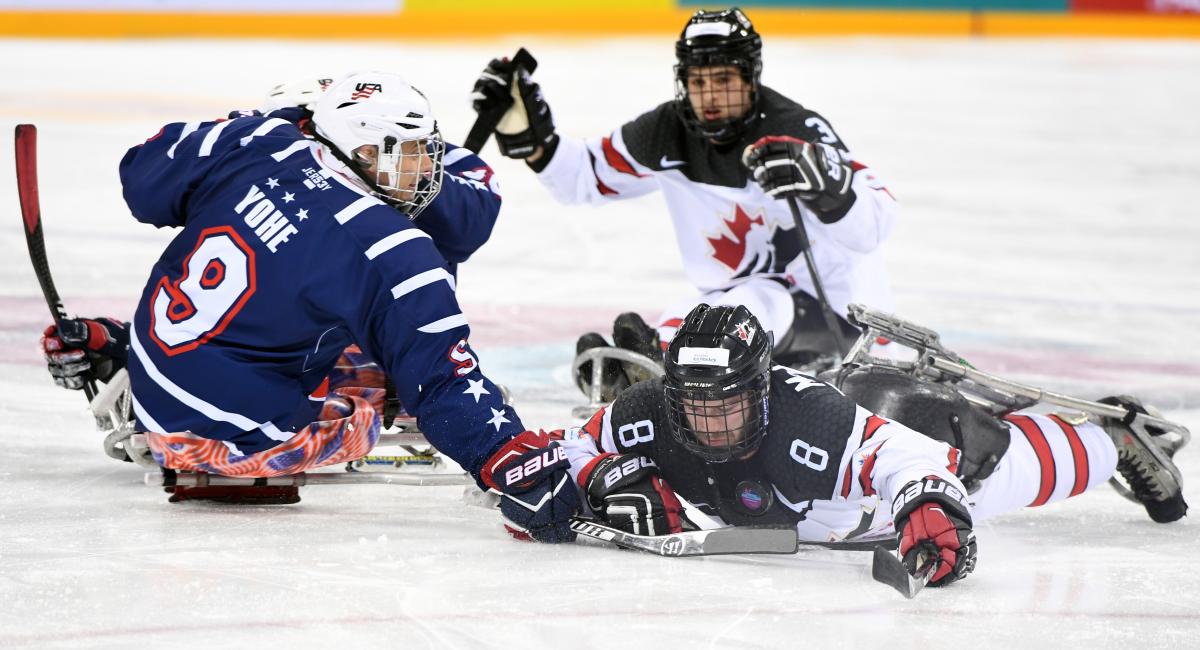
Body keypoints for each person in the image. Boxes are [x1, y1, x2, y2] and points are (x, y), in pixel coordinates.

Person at [39, 71, 580, 542]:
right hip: (222, 438)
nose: (422, 171)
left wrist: (252, 125)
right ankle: (358, 410)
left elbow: (143, 177)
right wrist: (508, 455)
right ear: (352, 146)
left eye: (424, 151)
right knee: (382, 373)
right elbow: (444, 376)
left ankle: (133, 360)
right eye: (404, 153)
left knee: (284, 290)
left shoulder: (261, 141)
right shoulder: (385, 243)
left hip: (162, 355)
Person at [554, 303, 1189, 586]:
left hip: (877, 487)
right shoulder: (645, 413)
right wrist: (605, 477)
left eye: (730, 406)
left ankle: (1115, 439)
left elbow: (907, 458)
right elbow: (573, 447)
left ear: (762, 389)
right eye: (697, 407)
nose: (713, 427)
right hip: (805, 506)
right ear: (670, 396)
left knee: (987, 461)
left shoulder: (810, 422)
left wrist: (930, 506)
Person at [470, 7, 899, 395]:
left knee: (748, 304)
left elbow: (874, 225)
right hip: (744, 312)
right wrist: (535, 141)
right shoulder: (667, 131)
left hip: (837, 322)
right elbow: (585, 175)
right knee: (697, 313)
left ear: (751, 77)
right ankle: (656, 367)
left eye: (724, 80)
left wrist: (830, 186)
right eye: (697, 82)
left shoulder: (795, 129)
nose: (710, 96)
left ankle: (670, 366)